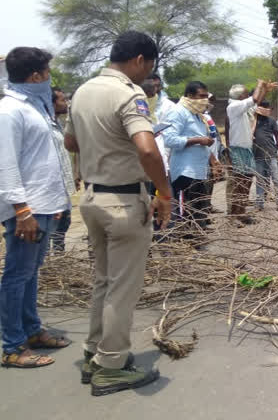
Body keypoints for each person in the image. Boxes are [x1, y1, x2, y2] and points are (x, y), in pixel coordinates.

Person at [64, 31, 172, 394]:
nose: (148, 75)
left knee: (103, 281)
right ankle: (111, 365)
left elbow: (70, 141)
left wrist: (100, 149)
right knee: (123, 289)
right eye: (150, 67)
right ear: (139, 60)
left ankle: (95, 353)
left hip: (92, 200)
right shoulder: (128, 94)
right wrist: (165, 192)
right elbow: (147, 150)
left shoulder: (82, 91)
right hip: (124, 203)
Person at [0, 47, 72, 368]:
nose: (49, 78)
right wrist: (22, 211)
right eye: (47, 72)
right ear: (35, 76)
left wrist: (56, 202)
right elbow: (6, 164)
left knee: (30, 272)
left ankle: (31, 329)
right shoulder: (10, 111)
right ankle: (12, 346)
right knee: (17, 275)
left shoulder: (37, 108)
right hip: (26, 209)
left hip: (44, 204)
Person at [164, 81, 220, 238]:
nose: (204, 100)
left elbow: (203, 141)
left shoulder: (198, 115)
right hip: (185, 172)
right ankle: (188, 244)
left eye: (205, 96)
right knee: (186, 211)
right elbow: (169, 140)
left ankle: (196, 241)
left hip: (199, 170)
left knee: (199, 209)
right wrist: (197, 140)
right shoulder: (178, 112)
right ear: (189, 95)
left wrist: (213, 159)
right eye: (201, 96)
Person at [225, 82, 274, 223]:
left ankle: (241, 213)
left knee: (246, 183)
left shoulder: (242, 108)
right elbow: (254, 100)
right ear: (241, 96)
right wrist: (259, 85)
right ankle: (234, 215)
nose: (249, 95)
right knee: (239, 183)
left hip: (246, 149)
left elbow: (255, 102)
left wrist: (265, 89)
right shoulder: (234, 107)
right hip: (238, 149)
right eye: (246, 93)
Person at [50, 87, 78, 252]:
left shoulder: (59, 123)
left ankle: (59, 266)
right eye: (62, 100)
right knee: (49, 233)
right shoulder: (45, 125)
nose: (66, 103)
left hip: (63, 188)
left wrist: (73, 176)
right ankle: (47, 272)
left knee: (62, 229)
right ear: (52, 103)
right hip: (53, 190)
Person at [252, 101, 278, 212]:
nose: (268, 110)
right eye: (266, 108)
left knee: (276, 180)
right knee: (260, 181)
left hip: (271, 154)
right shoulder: (253, 121)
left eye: (269, 108)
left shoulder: (271, 121)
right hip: (257, 155)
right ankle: (259, 204)